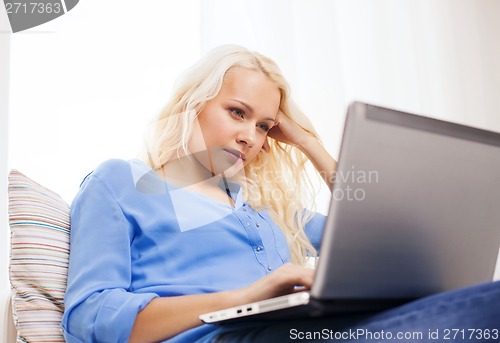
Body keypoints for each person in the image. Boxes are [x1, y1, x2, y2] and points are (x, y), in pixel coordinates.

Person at [62, 45, 500, 343]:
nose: (250, 136)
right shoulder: (121, 182)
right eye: (237, 112)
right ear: (193, 103)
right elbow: (88, 317)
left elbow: (387, 237)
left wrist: (310, 144)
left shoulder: (270, 208)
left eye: (264, 126)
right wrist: (243, 298)